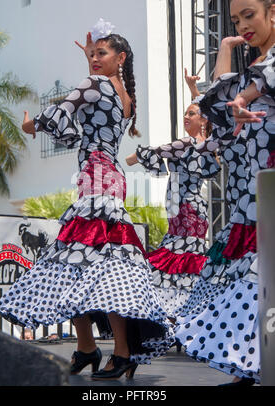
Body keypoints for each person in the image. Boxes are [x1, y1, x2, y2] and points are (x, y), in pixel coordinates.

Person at [0, 20, 177, 380]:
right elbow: (94, 100)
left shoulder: (94, 84)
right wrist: (94, 65)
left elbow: (60, 116)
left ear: (120, 56)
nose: (94, 59)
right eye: (91, 54)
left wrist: (33, 126)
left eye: (101, 53)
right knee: (88, 264)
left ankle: (110, 350)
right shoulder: (124, 95)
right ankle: (90, 348)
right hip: (109, 179)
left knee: (79, 263)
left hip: (96, 181)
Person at [174, 0, 275, 386]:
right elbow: (221, 94)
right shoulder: (251, 72)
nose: (243, 25)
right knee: (248, 286)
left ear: (272, 11)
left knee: (260, 283)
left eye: (249, 14)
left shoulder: (266, 71)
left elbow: (252, 86)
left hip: (269, 196)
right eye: (235, 19)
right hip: (253, 200)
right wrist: (226, 50)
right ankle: (251, 369)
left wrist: (243, 99)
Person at [126, 73, 220, 330]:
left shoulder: (187, 142)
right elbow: (205, 113)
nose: (186, 116)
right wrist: (192, 89)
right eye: (186, 113)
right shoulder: (206, 144)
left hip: (185, 210)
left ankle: (173, 315)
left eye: (191, 114)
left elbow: (157, 151)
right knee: (187, 262)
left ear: (202, 120)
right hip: (192, 211)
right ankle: (186, 315)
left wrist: (133, 158)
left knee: (175, 260)